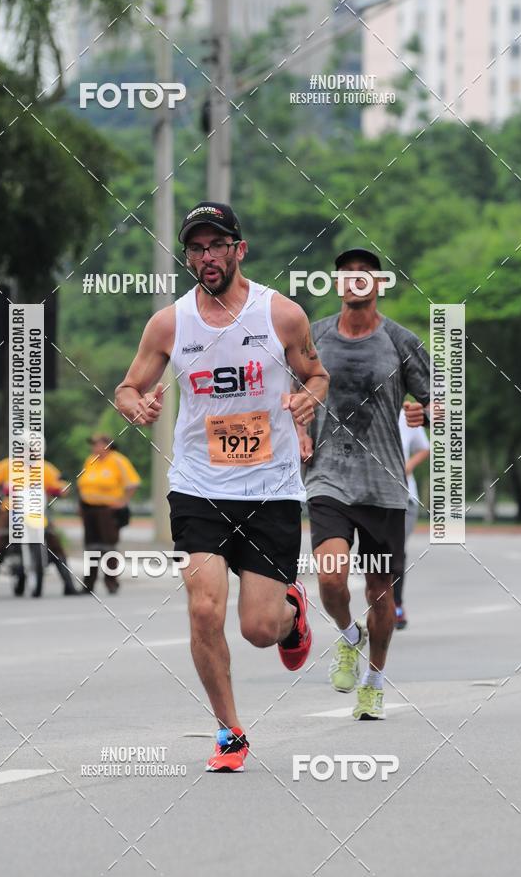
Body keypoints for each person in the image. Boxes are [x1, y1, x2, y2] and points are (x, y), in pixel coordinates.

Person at [115, 201, 329, 773]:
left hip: (271, 489)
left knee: (259, 629)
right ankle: (230, 731)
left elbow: (316, 372)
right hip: (198, 486)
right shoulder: (169, 324)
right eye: (196, 247)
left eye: (216, 245)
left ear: (240, 249)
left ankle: (292, 614)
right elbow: (128, 387)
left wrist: (309, 397)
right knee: (204, 610)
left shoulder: (281, 316)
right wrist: (139, 404)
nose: (206, 256)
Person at [298, 247, 429, 721]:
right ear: (336, 284)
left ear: (379, 284)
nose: (354, 281)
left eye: (364, 275)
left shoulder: (400, 341)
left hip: (384, 485)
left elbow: (445, 402)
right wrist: (298, 433)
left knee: (381, 595)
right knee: (331, 578)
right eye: (346, 275)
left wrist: (425, 410)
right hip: (328, 478)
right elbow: (290, 395)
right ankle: (348, 636)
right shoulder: (313, 337)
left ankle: (374, 681)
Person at [0, 441, 78, 598]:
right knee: (0, 540)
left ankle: (69, 585)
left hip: (37, 511)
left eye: (32, 450)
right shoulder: (8, 465)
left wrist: (61, 489)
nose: (28, 453)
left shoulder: (45, 467)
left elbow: (61, 484)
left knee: (53, 540)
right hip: (12, 509)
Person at [77, 434, 141, 594]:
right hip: (89, 509)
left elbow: (133, 483)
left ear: (107, 445)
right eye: (93, 445)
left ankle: (111, 582)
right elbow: (83, 483)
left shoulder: (118, 460)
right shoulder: (90, 460)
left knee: (108, 547)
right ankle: (88, 584)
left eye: (97, 444)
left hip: (108, 510)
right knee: (91, 546)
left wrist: (123, 501)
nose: (94, 448)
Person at [393, 407, 430, 629]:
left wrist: (407, 467)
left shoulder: (406, 415)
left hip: (405, 499)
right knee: (376, 553)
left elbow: (424, 449)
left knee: (396, 549)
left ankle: (396, 604)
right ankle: (379, 601)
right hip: (372, 499)